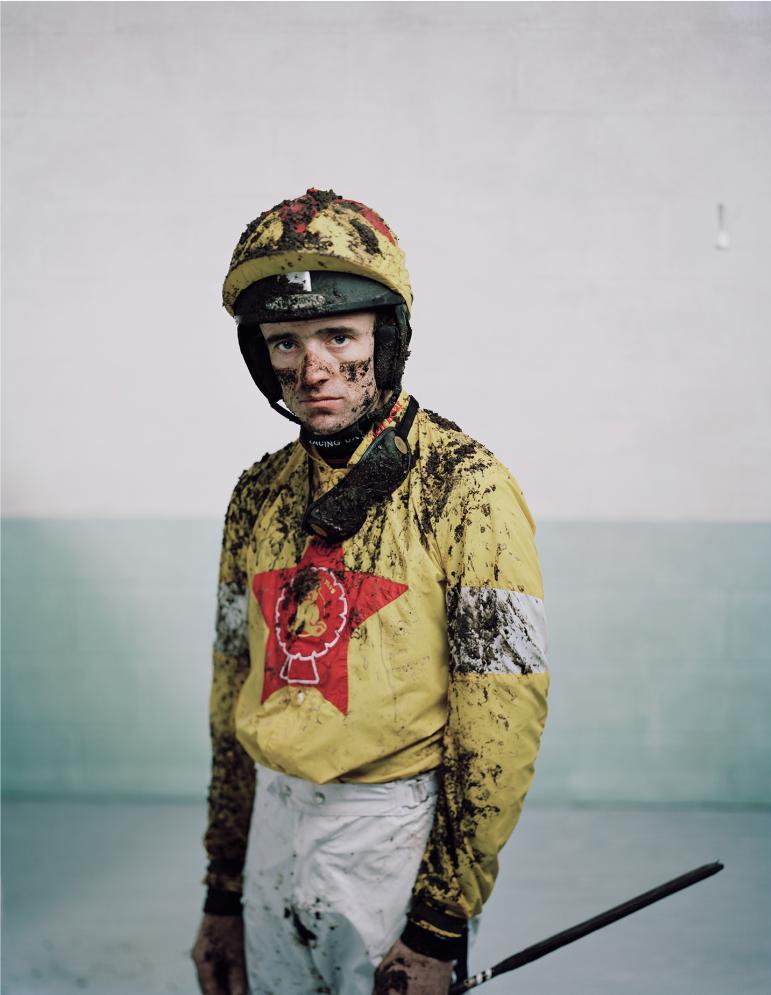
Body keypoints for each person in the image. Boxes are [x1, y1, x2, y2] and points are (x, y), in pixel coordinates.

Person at [191, 188, 550, 995]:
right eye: (284, 342)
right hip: (275, 830)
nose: (311, 368)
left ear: (385, 340)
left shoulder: (469, 489)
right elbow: (230, 686)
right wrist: (223, 890)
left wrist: (438, 923)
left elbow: (502, 717)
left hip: (391, 835)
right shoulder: (257, 494)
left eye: (338, 335)